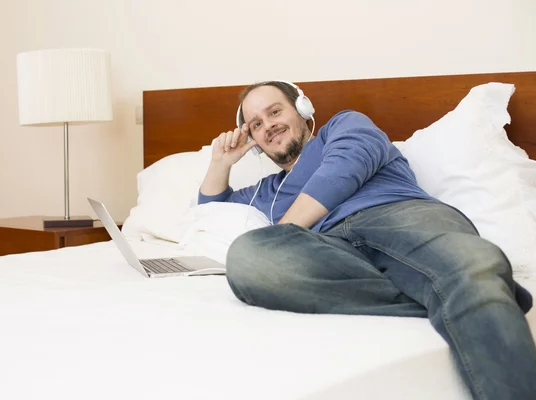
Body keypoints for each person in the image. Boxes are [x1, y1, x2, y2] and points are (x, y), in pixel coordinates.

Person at [198, 80, 536, 400]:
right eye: (255, 124)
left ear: (302, 109)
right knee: (247, 256)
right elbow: (210, 216)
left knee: (469, 263)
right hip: (330, 251)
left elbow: (348, 163)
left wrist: (285, 229)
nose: (267, 125)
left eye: (274, 112)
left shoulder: (343, 126)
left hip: (401, 217)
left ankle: (470, 281)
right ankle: (459, 291)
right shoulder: (267, 192)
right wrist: (221, 163)